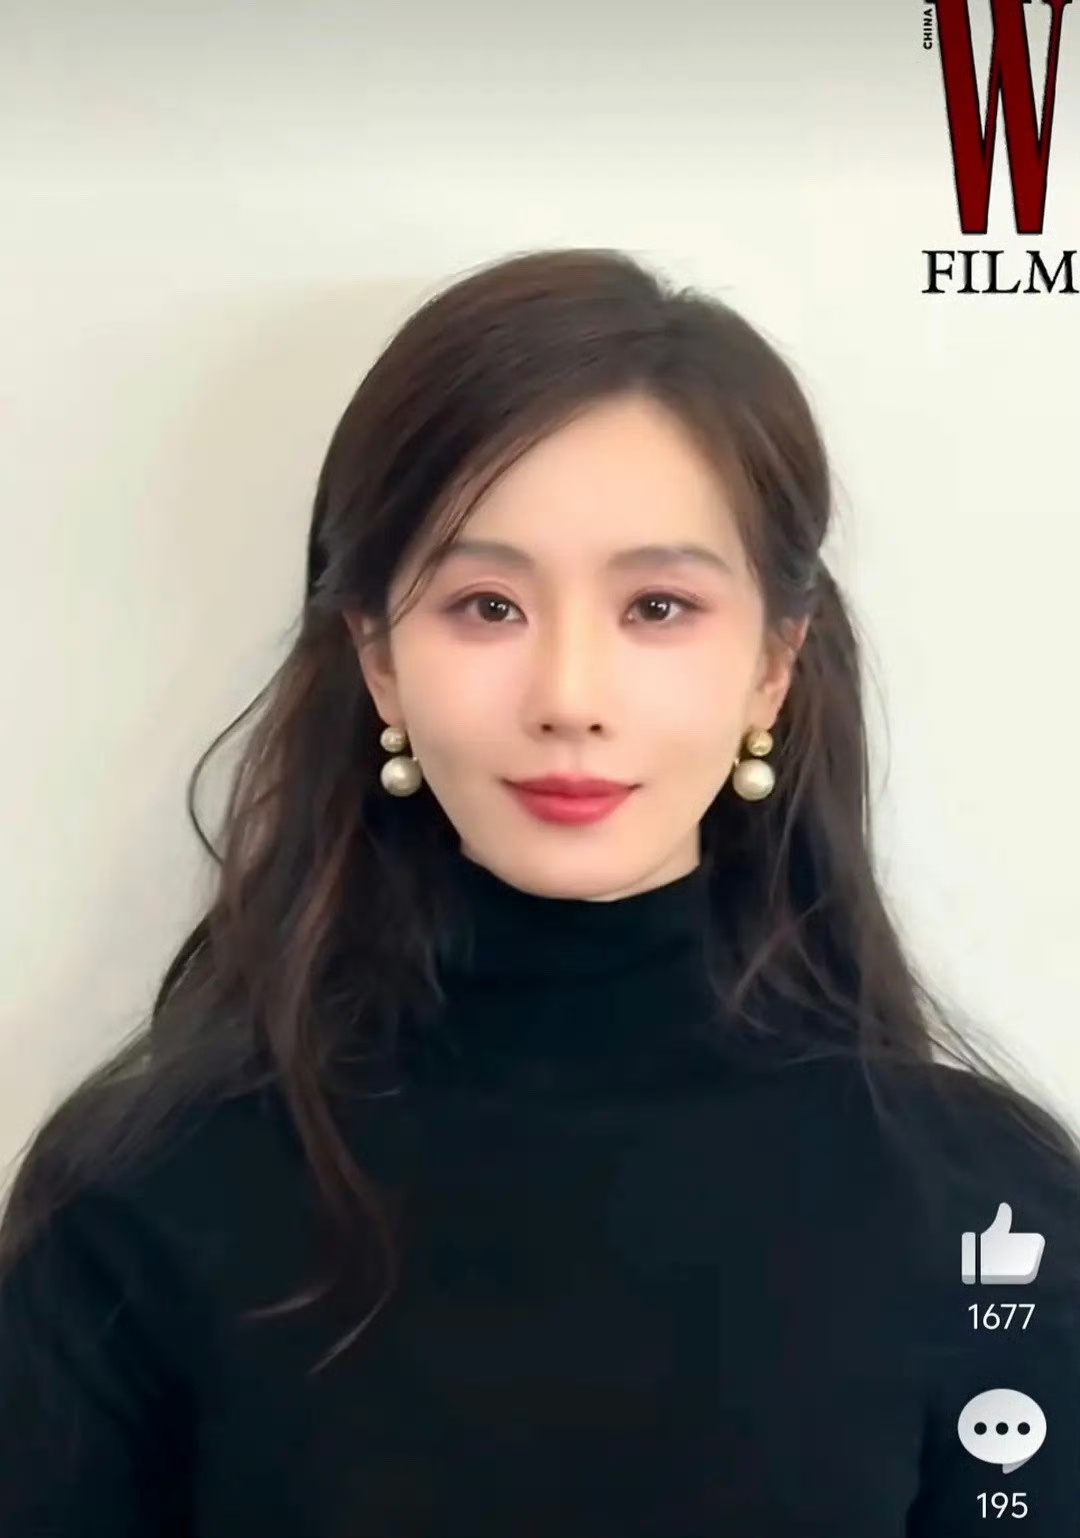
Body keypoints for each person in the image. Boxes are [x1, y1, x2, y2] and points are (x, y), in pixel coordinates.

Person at [1, 247, 1078, 1538]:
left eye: (659, 606)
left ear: (773, 665)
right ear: (379, 659)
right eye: (487, 605)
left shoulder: (992, 1209)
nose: (570, 695)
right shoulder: (141, 1194)